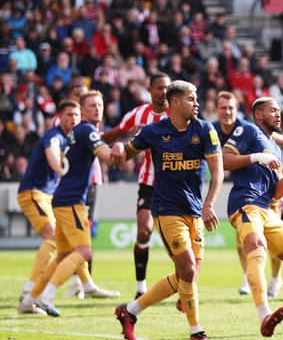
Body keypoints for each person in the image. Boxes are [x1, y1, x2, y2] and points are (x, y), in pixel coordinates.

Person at [113, 80, 223, 340]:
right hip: (166, 209)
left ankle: (130, 311)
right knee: (186, 269)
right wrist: (118, 148)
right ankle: (197, 332)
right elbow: (126, 153)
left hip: (195, 210)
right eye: (191, 98)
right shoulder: (153, 131)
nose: (197, 103)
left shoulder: (205, 130)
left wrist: (209, 204)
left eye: (196, 98)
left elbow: (217, 172)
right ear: (175, 102)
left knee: (190, 274)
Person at [18, 91, 121, 317]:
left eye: (100, 105)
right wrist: (125, 147)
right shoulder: (85, 130)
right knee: (83, 251)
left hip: (60, 198)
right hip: (71, 200)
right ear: (83, 111)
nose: (97, 109)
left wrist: (117, 136)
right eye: (92, 105)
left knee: (64, 255)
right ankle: (48, 295)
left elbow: (100, 140)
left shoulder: (78, 132)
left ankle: (29, 300)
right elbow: (106, 156)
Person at [223, 96, 283, 337]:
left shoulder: (277, 148)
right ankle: (264, 315)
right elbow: (223, 159)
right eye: (273, 111)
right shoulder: (248, 129)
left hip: (268, 209)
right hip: (246, 203)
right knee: (257, 247)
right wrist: (256, 157)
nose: (279, 114)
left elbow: (276, 193)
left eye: (279, 111)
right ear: (259, 114)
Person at [102, 73, 171, 299]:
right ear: (149, 89)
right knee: (144, 230)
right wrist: (98, 140)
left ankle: (184, 283)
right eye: (159, 87)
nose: (163, 92)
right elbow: (118, 132)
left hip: (175, 182)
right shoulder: (139, 114)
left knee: (175, 240)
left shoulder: (177, 112)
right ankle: (141, 286)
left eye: (167, 88)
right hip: (149, 180)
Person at [16, 100, 80, 313]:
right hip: (34, 193)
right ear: (60, 117)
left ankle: (80, 285)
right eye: (69, 115)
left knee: (66, 244)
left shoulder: (71, 140)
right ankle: (29, 291)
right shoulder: (54, 136)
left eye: (76, 115)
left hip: (50, 196)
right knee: (52, 237)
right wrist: (62, 172)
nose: (73, 119)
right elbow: (52, 155)